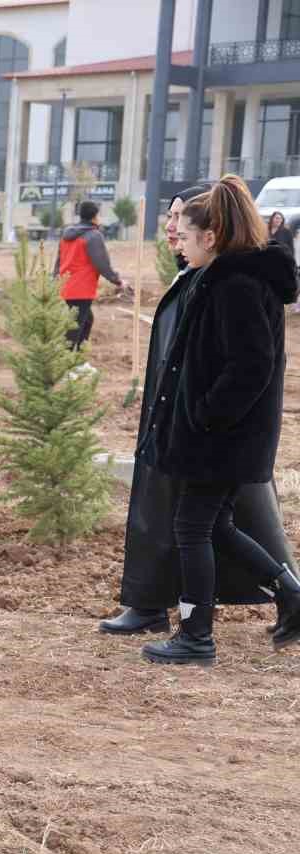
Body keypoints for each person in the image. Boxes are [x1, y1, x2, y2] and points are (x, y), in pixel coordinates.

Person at [100, 184, 300, 635]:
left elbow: (251, 365)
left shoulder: (235, 285)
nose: (175, 237)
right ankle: (289, 594)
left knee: (193, 528)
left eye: (184, 231)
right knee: (214, 527)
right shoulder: (221, 279)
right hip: (216, 437)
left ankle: (195, 635)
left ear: (209, 236)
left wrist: (206, 418)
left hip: (218, 440)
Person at [56, 200, 125, 350]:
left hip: (66, 286)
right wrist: (118, 280)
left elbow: (58, 261)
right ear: (95, 216)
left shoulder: (66, 235)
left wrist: (54, 281)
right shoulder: (93, 235)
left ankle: (78, 357)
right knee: (74, 328)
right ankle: (68, 363)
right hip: (81, 289)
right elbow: (101, 264)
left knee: (86, 320)